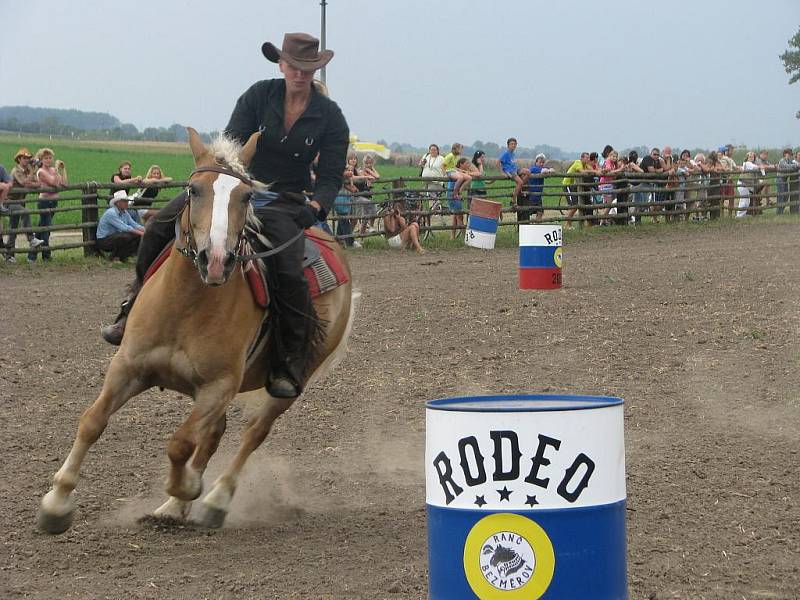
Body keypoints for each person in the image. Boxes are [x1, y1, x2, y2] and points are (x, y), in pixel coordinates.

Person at [100, 32, 349, 400]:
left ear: (316, 70)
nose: (300, 74)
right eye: (294, 66)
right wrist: (225, 187)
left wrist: (316, 207)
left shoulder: (329, 116)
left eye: (307, 69)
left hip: (283, 200)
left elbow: (330, 175)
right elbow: (229, 146)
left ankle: (288, 360)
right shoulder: (257, 96)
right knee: (158, 229)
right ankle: (131, 307)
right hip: (234, 187)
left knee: (287, 268)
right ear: (282, 65)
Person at [5, 148, 44, 262]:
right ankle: (31, 238)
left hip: (20, 202)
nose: (27, 160)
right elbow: (24, 182)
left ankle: (9, 255)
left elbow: (37, 183)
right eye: (24, 158)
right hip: (9, 202)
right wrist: (32, 172)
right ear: (19, 159)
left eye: (28, 158)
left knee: (13, 230)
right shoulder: (16, 171)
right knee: (25, 213)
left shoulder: (27, 170)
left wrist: (33, 173)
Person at [30, 148, 67, 262]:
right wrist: (56, 170)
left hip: (53, 202)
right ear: (41, 160)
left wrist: (63, 169)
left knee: (42, 229)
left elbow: (64, 184)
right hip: (45, 202)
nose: (48, 160)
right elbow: (55, 184)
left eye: (50, 158)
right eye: (46, 158)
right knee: (46, 229)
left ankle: (31, 256)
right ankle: (46, 255)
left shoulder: (52, 170)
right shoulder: (41, 172)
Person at [96, 191, 146, 261]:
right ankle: (114, 257)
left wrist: (147, 230)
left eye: (127, 201)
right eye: (125, 201)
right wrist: (142, 233)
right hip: (104, 240)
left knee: (134, 236)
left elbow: (134, 224)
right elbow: (125, 227)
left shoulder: (125, 212)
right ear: (118, 203)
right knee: (126, 237)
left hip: (114, 237)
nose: (127, 203)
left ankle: (123, 256)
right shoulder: (111, 213)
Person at [520, 153, 553, 223]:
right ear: (536, 162)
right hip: (531, 196)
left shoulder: (541, 169)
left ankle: (536, 226)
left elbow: (549, 171)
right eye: (540, 162)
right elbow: (544, 171)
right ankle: (527, 226)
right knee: (527, 213)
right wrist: (549, 170)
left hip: (538, 196)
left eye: (543, 162)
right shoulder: (533, 169)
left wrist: (549, 170)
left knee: (540, 212)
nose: (541, 164)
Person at [498, 138, 530, 206]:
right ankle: (513, 200)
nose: (513, 145)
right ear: (508, 145)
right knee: (520, 182)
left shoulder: (513, 153)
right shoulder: (506, 153)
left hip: (515, 169)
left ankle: (518, 189)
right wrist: (502, 172)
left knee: (528, 172)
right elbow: (498, 162)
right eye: (512, 144)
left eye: (515, 144)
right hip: (510, 171)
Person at [562, 152, 589, 229]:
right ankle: (567, 224)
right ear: (582, 158)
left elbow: (590, 169)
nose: (587, 159)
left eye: (588, 158)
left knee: (574, 205)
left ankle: (568, 224)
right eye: (586, 157)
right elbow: (582, 171)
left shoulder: (585, 165)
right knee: (574, 205)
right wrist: (592, 171)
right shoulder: (578, 163)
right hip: (567, 184)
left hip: (572, 185)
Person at [776, 148, 798, 214]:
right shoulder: (782, 160)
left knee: (786, 195)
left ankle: (781, 210)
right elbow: (787, 166)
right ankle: (779, 212)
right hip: (780, 179)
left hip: (785, 179)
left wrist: (795, 165)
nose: (789, 155)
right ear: (785, 154)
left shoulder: (789, 160)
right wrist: (795, 165)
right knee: (781, 195)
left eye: (790, 154)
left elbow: (793, 164)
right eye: (788, 154)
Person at [719, 145, 738, 217]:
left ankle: (730, 215)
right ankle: (722, 214)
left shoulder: (730, 160)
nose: (732, 152)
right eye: (731, 150)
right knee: (721, 197)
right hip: (722, 180)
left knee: (731, 197)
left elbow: (735, 167)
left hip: (729, 179)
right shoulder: (721, 159)